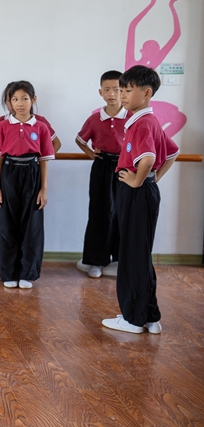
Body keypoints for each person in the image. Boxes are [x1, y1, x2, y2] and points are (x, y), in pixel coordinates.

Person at [102, 66, 178, 334]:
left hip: (136, 193)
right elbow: (172, 152)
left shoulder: (143, 123)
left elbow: (147, 158)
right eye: (121, 90)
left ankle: (133, 319)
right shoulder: (146, 121)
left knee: (132, 254)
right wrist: (153, 179)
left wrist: (138, 181)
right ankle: (149, 315)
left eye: (128, 90)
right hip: (144, 191)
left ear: (146, 93)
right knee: (140, 254)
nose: (122, 95)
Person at [0, 81, 55, 289]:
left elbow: (43, 159)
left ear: (33, 99)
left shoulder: (41, 127)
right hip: (8, 174)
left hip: (32, 174)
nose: (19, 103)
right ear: (9, 101)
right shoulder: (2, 126)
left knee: (32, 225)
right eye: (15, 99)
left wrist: (44, 188)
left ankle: (27, 273)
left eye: (24, 98)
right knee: (7, 225)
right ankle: (9, 273)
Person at [75, 71, 127, 278]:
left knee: (124, 212)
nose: (112, 94)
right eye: (107, 89)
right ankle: (96, 261)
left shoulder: (132, 117)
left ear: (124, 91)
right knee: (100, 212)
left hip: (125, 168)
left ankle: (121, 259)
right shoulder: (95, 119)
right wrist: (90, 153)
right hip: (102, 166)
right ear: (100, 92)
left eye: (116, 89)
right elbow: (80, 140)